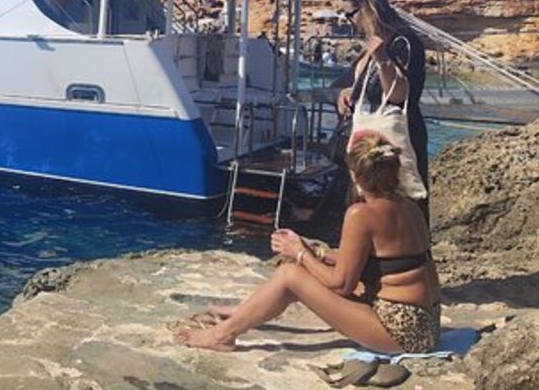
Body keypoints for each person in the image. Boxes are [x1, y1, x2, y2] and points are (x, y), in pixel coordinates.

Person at [176, 135, 441, 354]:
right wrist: (319, 253)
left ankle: (223, 335)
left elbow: (341, 284)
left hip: (401, 332)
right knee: (306, 267)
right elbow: (385, 262)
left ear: (354, 174)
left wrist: (300, 253)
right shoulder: (408, 206)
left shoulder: (361, 214)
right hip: (424, 323)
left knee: (291, 275)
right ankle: (244, 313)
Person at [335, 0, 429, 220]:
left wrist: (383, 59)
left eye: (351, 15)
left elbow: (399, 96)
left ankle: (402, 254)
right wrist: (346, 93)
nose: (350, 22)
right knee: (366, 206)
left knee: (398, 205)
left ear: (368, 9)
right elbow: (359, 84)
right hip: (370, 144)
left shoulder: (402, 42)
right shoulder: (374, 43)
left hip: (393, 140)